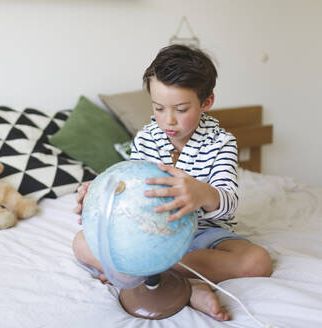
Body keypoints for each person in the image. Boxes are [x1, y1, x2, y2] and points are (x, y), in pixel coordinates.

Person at [72, 44, 273, 321]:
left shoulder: (221, 143)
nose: (168, 120)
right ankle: (187, 286)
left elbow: (228, 205)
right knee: (81, 244)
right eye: (158, 108)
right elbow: (128, 186)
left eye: (180, 109)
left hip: (203, 233)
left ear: (206, 102)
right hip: (151, 233)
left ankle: (150, 276)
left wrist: (201, 193)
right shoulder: (145, 138)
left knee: (258, 262)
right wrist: (96, 195)